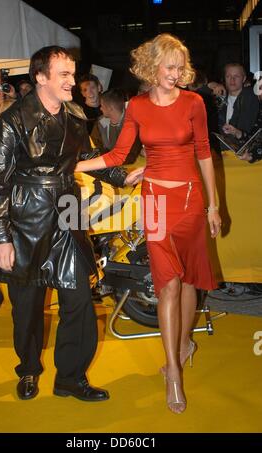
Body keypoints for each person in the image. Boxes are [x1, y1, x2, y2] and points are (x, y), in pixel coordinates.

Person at [75, 33, 221, 414]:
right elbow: (119, 154)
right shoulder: (137, 106)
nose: (176, 74)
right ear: (153, 66)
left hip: (190, 201)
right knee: (166, 284)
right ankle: (173, 369)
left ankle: (185, 341)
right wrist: (76, 164)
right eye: (170, 67)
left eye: (180, 67)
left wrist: (214, 207)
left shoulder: (194, 102)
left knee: (189, 279)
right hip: (154, 201)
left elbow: (204, 153)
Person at [0, 45, 126, 402]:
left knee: (79, 302)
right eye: (64, 75)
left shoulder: (75, 113)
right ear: (41, 77)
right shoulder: (11, 120)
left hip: (67, 213)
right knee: (27, 309)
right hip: (25, 221)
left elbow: (87, 155)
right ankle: (29, 369)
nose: (73, 82)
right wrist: (1, 238)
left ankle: (70, 379)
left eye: (73, 74)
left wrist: (122, 173)